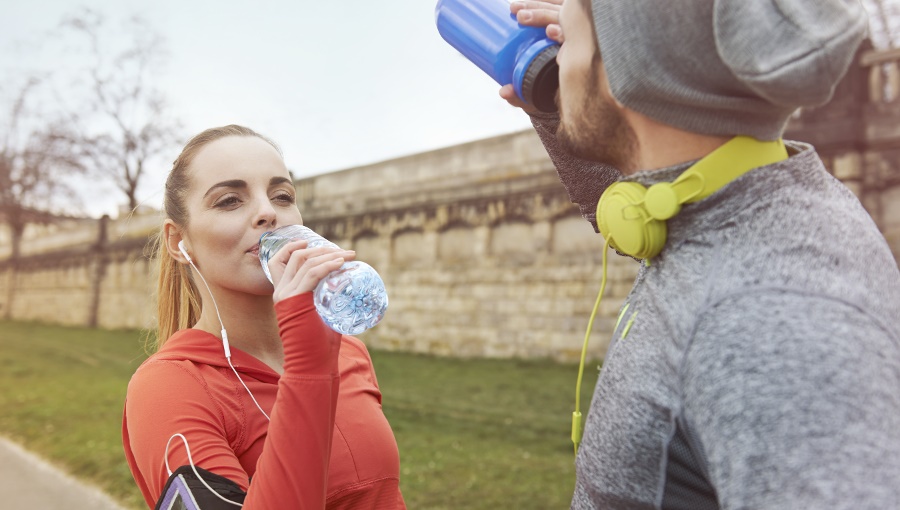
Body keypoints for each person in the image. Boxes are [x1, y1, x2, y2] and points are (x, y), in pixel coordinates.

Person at [497, 0, 900, 508]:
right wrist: (564, 102)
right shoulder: (750, 205)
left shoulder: (770, 319)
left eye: (569, 43)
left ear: (630, 68)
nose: (557, 62)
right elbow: (667, 228)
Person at [122, 125, 406, 509]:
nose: (268, 212)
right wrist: (310, 370)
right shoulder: (167, 388)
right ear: (178, 241)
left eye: (282, 195)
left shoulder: (348, 354)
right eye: (229, 201)